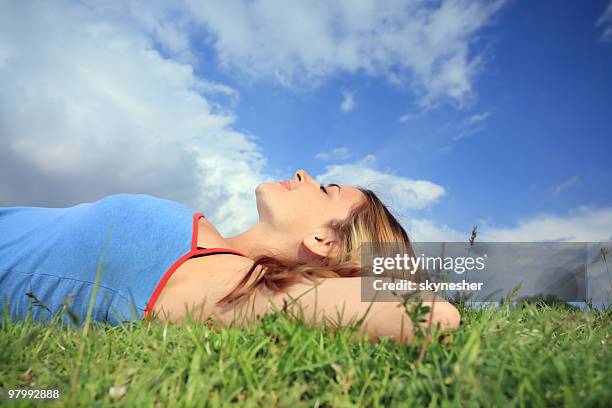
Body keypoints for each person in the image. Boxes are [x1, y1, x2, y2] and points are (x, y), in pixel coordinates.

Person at [0, 170, 459, 344]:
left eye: (326, 191)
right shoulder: (210, 242)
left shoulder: (226, 284)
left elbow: (432, 317)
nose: (304, 173)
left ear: (324, 242)